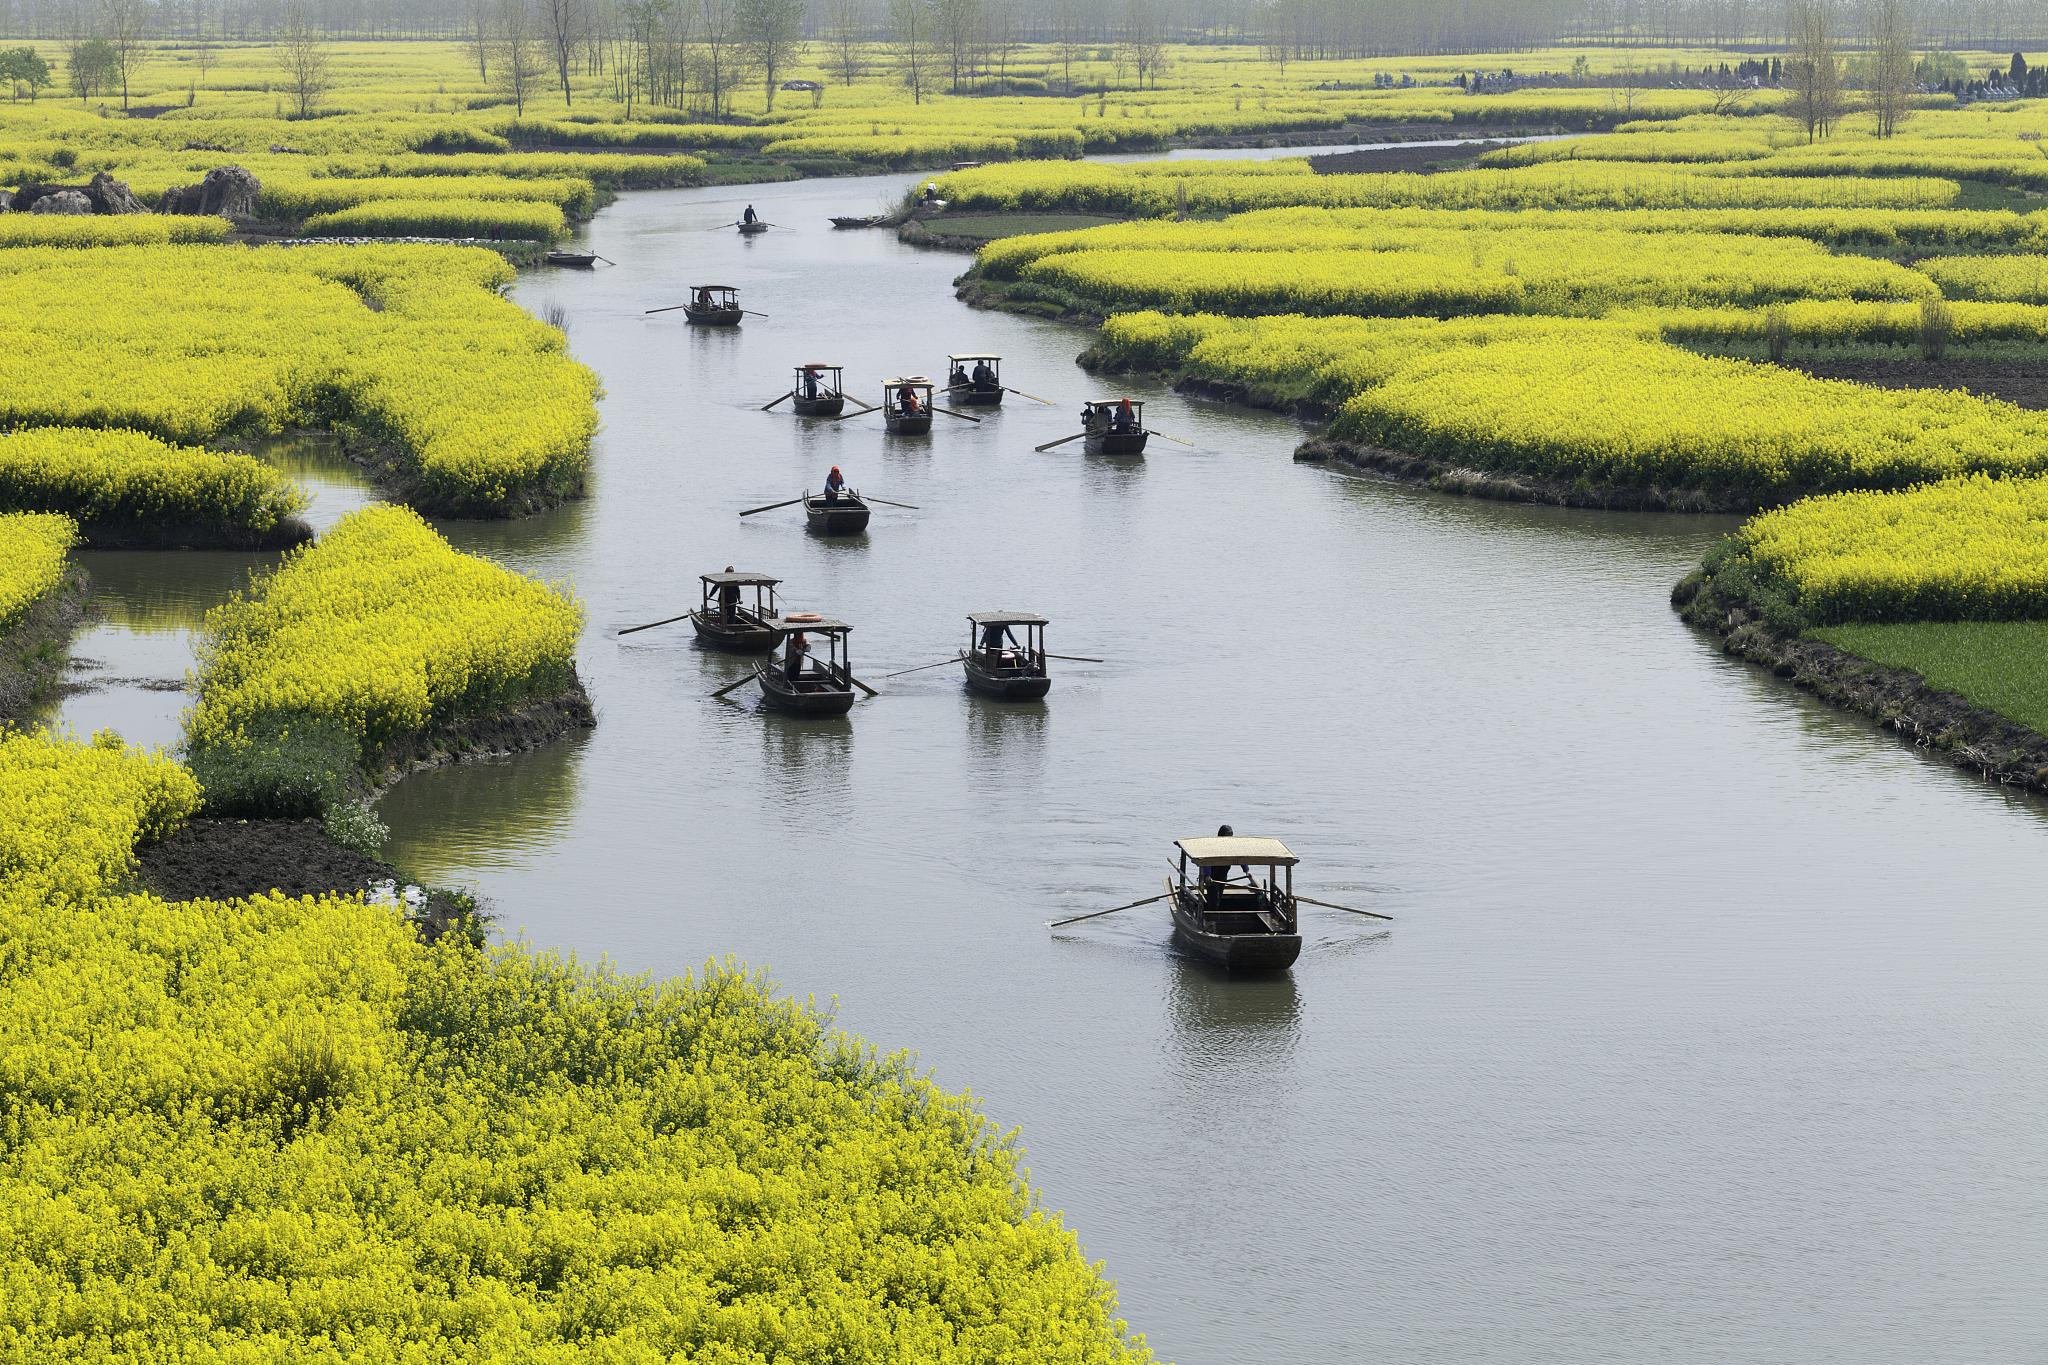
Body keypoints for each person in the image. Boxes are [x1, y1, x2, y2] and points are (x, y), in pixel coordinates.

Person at [1203, 823, 1235, 908]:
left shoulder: (1232, 847)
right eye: (1228, 835)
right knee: (1214, 899)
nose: (1229, 838)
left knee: (1219, 897)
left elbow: (1240, 857)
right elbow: (1207, 860)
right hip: (1211, 876)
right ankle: (1211, 916)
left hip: (1223, 875)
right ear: (1221, 835)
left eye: (1231, 835)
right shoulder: (1213, 846)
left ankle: (1214, 912)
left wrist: (1246, 870)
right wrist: (1207, 875)